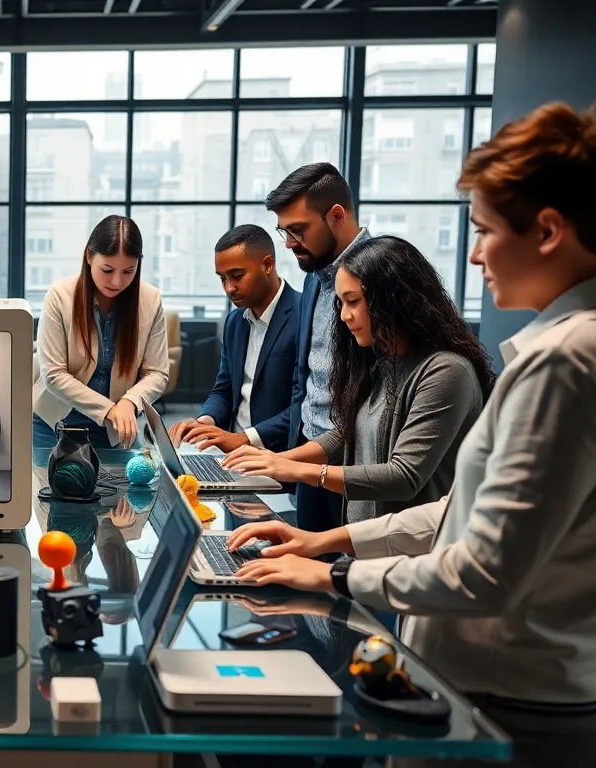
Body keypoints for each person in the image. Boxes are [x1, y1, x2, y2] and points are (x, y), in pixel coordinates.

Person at [229, 102, 596, 768]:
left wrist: (334, 573)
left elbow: (481, 570)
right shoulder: (558, 349)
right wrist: (325, 543)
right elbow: (457, 514)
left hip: (508, 694)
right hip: (490, 680)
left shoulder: (564, 361)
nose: (476, 254)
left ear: (547, 230)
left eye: (484, 230)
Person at [221, 236, 493, 524]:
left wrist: (296, 470)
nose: (344, 316)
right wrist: (278, 460)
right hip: (367, 540)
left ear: (394, 299)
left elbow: (404, 476)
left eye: (353, 302)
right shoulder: (384, 361)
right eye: (340, 303)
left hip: (410, 547)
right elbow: (346, 434)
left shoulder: (447, 371)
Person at [264, 162, 371, 533]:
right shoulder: (313, 276)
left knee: (349, 564)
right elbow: (305, 375)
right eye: (284, 232)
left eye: (297, 230)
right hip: (310, 453)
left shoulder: (382, 274)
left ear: (336, 216)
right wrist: (289, 456)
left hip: (356, 465)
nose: (289, 243)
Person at [34, 214, 170, 450]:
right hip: (53, 426)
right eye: (107, 270)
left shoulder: (150, 300)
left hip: (116, 429)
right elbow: (54, 374)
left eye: (128, 271)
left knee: (135, 474)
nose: (117, 281)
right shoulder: (59, 295)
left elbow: (157, 373)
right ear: (89, 256)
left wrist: (129, 402)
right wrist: (108, 409)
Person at [169, 224, 299, 453]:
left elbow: (305, 406)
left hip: (280, 457)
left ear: (268, 265)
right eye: (222, 278)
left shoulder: (304, 315)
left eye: (237, 276)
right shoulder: (234, 322)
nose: (229, 288)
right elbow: (224, 390)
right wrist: (205, 422)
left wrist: (245, 438)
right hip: (231, 456)